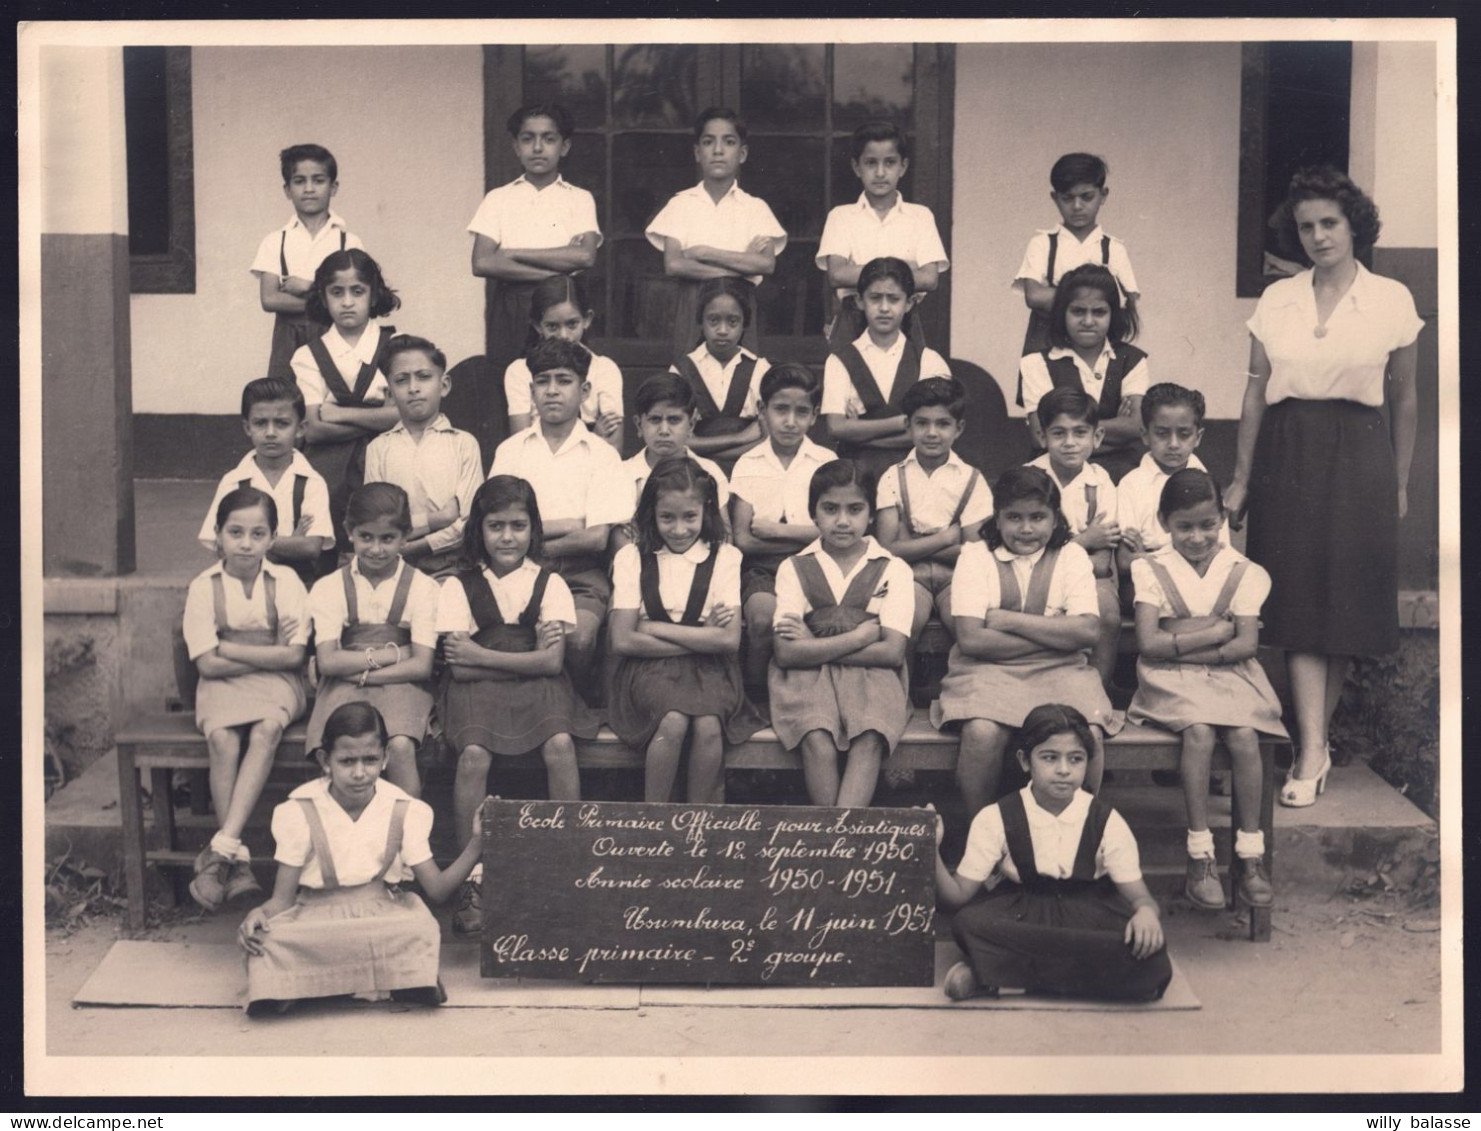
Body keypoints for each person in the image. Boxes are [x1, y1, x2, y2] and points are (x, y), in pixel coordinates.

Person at [1224, 166, 1422, 809]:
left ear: (1353, 225)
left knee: (1341, 604)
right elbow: (1255, 391)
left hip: (1360, 451)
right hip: (1289, 449)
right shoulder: (1279, 299)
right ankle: (1313, 747)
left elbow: (1406, 396)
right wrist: (1242, 477)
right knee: (1301, 600)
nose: (1317, 236)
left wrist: (1398, 477)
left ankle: (1314, 744)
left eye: (1328, 223)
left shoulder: (1390, 298)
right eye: (1305, 226)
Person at [237, 702, 486, 1016]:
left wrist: (477, 844)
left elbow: (436, 889)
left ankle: (307, 987)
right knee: (271, 940)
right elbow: (282, 900)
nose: (359, 772)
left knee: (420, 926)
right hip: (314, 916)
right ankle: (393, 978)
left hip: (380, 915)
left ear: (385, 758)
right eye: (347, 761)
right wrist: (258, 914)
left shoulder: (402, 809)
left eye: (369, 760)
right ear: (325, 761)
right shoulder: (300, 810)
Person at [437, 476, 599, 936]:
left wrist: (482, 654)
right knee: (472, 757)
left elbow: (553, 663)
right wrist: (525, 658)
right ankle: (474, 878)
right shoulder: (459, 586)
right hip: (477, 691)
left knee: (561, 744)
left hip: (535, 688)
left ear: (534, 529)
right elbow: (460, 669)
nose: (507, 537)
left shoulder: (550, 584)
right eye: (495, 526)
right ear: (478, 531)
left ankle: (569, 864)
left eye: (518, 525)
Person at [933, 704, 1172, 1003]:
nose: (1063, 770)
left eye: (1076, 759)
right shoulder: (996, 817)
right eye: (1049, 757)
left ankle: (995, 978)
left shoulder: (1105, 819)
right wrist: (932, 849)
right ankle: (1079, 978)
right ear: (1025, 761)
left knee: (1154, 958)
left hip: (1086, 912)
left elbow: (1139, 896)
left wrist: (1147, 914)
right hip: (1021, 911)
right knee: (969, 924)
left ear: (1087, 763)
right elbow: (955, 897)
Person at [1127, 470, 1285, 911]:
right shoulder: (1150, 568)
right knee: (1198, 731)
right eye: (1184, 527)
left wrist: (1186, 648)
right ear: (1163, 522)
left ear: (1223, 518)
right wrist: (1214, 633)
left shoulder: (1244, 572)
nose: (1197, 537)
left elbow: (1246, 645)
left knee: (1243, 735)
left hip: (1230, 672)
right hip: (1168, 680)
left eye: (1207, 525)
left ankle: (1249, 856)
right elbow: (1147, 643)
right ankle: (1200, 857)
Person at [931, 467, 1118, 821]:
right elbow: (971, 639)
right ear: (997, 519)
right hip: (986, 671)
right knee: (982, 732)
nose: (1027, 529)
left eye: (1038, 517)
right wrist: (1055, 636)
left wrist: (1009, 620)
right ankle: (982, 839)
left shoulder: (1071, 556)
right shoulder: (975, 556)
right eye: (1014, 518)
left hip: (1062, 671)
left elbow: (1088, 632)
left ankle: (1075, 836)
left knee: (1086, 730)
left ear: (1055, 518)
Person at [182, 487, 309, 913]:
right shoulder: (204, 587)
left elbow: (294, 654)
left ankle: (222, 852)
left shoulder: (286, 582)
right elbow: (207, 667)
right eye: (235, 532)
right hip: (223, 687)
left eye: (258, 533)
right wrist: (261, 658)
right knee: (223, 739)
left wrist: (230, 649)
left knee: (267, 729)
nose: (246, 543)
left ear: (273, 538)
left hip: (279, 686)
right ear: (217, 535)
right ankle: (235, 859)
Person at [608, 458, 763, 803]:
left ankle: (698, 823)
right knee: (673, 720)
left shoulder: (726, 557)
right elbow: (622, 639)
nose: (679, 529)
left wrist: (654, 628)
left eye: (689, 517)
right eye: (667, 518)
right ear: (652, 514)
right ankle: (656, 820)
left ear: (706, 512)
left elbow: (728, 640)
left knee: (708, 725)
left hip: (712, 670)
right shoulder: (632, 557)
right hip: (647, 669)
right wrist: (700, 638)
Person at [769, 460, 914, 808]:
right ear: (813, 513)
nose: (843, 521)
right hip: (806, 677)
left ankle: (838, 841)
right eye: (830, 509)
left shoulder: (893, 568)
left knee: (869, 735)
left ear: (871, 514)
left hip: (874, 677)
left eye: (855, 509)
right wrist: (860, 637)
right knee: (816, 734)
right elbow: (787, 653)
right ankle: (837, 842)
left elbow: (892, 652)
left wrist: (813, 643)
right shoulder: (794, 568)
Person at [486, 337, 630, 684]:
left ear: (584, 391)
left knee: (577, 638)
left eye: (564, 381)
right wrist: (573, 522)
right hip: (519, 572)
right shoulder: (510, 451)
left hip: (581, 577)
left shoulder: (603, 455)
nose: (552, 391)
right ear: (532, 390)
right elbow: (495, 521)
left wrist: (531, 534)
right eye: (543, 381)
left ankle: (574, 704)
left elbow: (596, 538)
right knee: (512, 640)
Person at [305, 484, 440, 798]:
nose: (376, 549)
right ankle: (344, 836)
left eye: (387, 538)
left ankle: (409, 838)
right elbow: (327, 661)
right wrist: (396, 654)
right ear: (348, 532)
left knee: (400, 744)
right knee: (343, 744)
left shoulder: (423, 588)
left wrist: (362, 673)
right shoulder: (329, 587)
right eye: (366, 537)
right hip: (344, 687)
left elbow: (421, 666)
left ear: (405, 537)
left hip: (401, 684)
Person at [469, 103, 601, 380]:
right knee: (509, 378)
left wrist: (511, 253)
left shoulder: (579, 198)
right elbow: (482, 262)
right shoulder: (499, 198)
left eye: (548, 139)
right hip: (513, 305)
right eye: (528, 139)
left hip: (561, 305)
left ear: (564, 146)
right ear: (516, 147)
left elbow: (585, 257)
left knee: (565, 376)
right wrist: (557, 268)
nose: (538, 148)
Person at [645, 107, 787, 358]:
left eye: (729, 142)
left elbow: (765, 263)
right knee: (690, 380)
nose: (718, 150)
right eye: (709, 142)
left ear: (742, 153)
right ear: (697, 153)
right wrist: (741, 270)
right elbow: (675, 264)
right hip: (693, 304)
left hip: (740, 305)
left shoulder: (755, 207)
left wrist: (704, 252)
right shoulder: (681, 204)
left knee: (742, 380)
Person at [728, 363, 835, 694]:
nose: (790, 421)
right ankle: (756, 693)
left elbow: (834, 533)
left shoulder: (825, 461)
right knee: (762, 618)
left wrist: (775, 531)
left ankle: (807, 694)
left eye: (801, 412)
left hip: (815, 567)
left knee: (823, 620)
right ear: (762, 410)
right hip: (762, 571)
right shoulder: (748, 464)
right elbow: (743, 540)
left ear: (815, 415)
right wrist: (805, 536)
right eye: (780, 410)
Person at [290, 249, 401, 561]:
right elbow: (313, 428)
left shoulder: (396, 345)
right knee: (331, 539)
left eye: (358, 291)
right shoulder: (308, 356)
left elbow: (402, 416)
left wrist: (338, 413)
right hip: (330, 466)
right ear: (323, 299)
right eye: (337, 292)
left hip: (386, 457)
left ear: (374, 294)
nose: (348, 302)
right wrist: (378, 413)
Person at [874, 376, 991, 643]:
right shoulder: (893, 477)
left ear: (958, 428)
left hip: (956, 576)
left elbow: (973, 551)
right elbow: (888, 550)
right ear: (908, 425)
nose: (932, 433)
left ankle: (962, 684)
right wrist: (947, 537)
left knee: (967, 629)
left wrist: (912, 543)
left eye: (943, 424)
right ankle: (900, 686)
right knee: (904, 625)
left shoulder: (972, 479)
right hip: (908, 575)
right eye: (922, 423)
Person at [817, 120, 949, 349]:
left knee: (906, 382)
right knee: (848, 380)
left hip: (904, 318)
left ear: (903, 167)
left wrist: (859, 268)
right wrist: (905, 268)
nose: (880, 172)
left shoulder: (920, 216)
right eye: (870, 163)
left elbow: (929, 278)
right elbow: (837, 275)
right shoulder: (841, 216)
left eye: (889, 163)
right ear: (857, 168)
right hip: (854, 316)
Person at [821, 257, 952, 481]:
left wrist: (859, 432)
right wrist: (901, 422)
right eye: (875, 298)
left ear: (909, 303)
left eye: (893, 299)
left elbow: (932, 433)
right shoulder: (839, 360)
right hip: (858, 477)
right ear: (860, 301)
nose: (884, 308)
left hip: (916, 475)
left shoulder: (929, 361)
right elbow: (836, 428)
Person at [362, 335, 482, 578]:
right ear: (390, 392)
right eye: (401, 380)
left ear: (444, 384)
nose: (413, 388)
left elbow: (467, 524)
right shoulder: (378, 449)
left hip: (453, 567)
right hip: (394, 570)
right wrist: (440, 518)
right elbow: (378, 524)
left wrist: (408, 546)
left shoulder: (463, 444)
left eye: (424, 377)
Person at [196, 377, 334, 588]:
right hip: (242, 585)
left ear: (300, 428)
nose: (270, 433)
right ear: (247, 427)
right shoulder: (233, 482)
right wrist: (289, 541)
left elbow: (311, 547)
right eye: (260, 423)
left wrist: (247, 540)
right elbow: (220, 546)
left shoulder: (311, 483)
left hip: (297, 587)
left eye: (282, 423)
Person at [1026, 387, 1123, 688]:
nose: (1070, 443)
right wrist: (1085, 539)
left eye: (1080, 433)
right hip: (1033, 575)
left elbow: (1102, 562)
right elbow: (1026, 551)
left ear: (1097, 437)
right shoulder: (1029, 478)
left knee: (1106, 612)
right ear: (1042, 437)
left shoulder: (1101, 482)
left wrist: (1058, 547)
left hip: (1091, 579)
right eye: (1059, 433)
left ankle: (1097, 690)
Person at [1019, 263, 1148, 482]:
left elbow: (1137, 426)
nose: (1088, 321)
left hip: (1121, 470)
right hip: (1057, 473)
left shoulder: (1131, 360)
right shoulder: (1036, 362)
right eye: (1078, 311)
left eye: (1099, 312)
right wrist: (1114, 426)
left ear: (1113, 314)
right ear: (1062, 313)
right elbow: (1039, 435)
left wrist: (1065, 430)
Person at [250, 144, 364, 382]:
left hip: (335, 336)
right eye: (300, 181)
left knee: (334, 395)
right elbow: (270, 299)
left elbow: (355, 297)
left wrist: (305, 287)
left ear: (333, 187)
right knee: (285, 402)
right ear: (287, 190)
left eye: (318, 180)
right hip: (287, 340)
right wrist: (326, 296)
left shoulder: (348, 242)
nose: (309, 189)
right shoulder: (276, 241)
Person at [1011, 152, 1139, 364]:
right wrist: (1097, 296)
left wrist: (1059, 297)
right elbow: (1033, 296)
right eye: (1068, 198)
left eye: (1086, 197)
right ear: (1055, 198)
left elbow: (1126, 303)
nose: (1077, 206)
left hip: (1097, 346)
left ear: (1103, 195)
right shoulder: (1043, 243)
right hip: (1047, 342)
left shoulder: (1113, 249)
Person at [1117, 383, 1226, 591]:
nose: (1173, 444)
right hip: (1150, 584)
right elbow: (1124, 561)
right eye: (1162, 433)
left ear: (1198, 437)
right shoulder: (1131, 485)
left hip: (1201, 578)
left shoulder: (1209, 485)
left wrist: (1147, 555)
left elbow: (1222, 552)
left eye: (1184, 434)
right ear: (1145, 435)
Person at [502, 274, 624, 452]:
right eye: (552, 326)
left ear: (587, 319)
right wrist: (594, 438)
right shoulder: (520, 370)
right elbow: (521, 445)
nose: (564, 336)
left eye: (572, 324)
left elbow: (613, 448)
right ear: (537, 326)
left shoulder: (604, 369)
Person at [613, 373, 733, 552]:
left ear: (691, 424)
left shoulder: (708, 471)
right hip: (640, 571)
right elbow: (621, 541)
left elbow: (723, 537)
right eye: (655, 420)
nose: (664, 430)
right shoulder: (622, 474)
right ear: (639, 425)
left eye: (674, 420)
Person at [668, 277, 770, 467]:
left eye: (732, 321)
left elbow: (767, 441)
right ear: (701, 321)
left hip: (749, 470)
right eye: (714, 320)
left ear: (744, 324)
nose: (722, 330)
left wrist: (706, 450)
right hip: (694, 471)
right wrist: (740, 438)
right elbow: (677, 440)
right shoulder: (682, 371)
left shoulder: (760, 369)